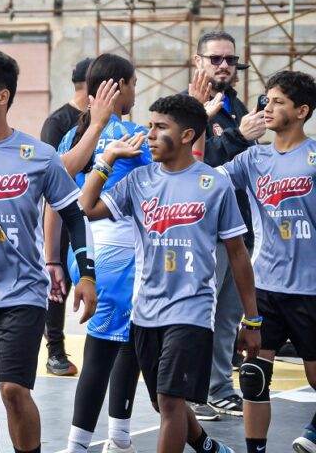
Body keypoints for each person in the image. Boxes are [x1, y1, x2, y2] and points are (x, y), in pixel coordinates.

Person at [78, 93, 261, 453]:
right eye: (150, 125)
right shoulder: (138, 180)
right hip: (145, 312)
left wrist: (252, 320)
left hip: (192, 311)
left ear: (187, 135)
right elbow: (87, 206)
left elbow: (238, 255)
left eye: (160, 127)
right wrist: (107, 158)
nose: (149, 134)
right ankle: (207, 446)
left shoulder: (214, 184)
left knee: (171, 401)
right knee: (162, 402)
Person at [0, 49, 98, 453]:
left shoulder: (38, 156)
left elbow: (74, 215)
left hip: (22, 294)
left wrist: (86, 274)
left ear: (3, 97)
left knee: (14, 390)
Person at [201, 70, 316, 453]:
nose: (268, 107)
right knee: (252, 377)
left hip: (310, 288)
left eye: (278, 101)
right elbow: (204, 181)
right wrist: (198, 123)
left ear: (301, 111)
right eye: (267, 99)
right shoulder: (253, 158)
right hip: (264, 286)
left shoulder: (314, 157)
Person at [54, 54, 150, 453]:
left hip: (84, 251)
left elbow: (57, 198)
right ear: (118, 87)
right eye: (133, 83)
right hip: (122, 253)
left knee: (116, 341)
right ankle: (81, 443)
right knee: (108, 349)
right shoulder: (133, 136)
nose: (135, 91)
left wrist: (53, 258)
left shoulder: (71, 137)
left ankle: (119, 437)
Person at [188, 30, 266, 420]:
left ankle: (218, 388)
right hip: (204, 230)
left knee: (229, 316)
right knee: (201, 313)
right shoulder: (188, 108)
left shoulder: (235, 106)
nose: (223, 65)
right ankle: (192, 392)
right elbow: (195, 165)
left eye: (230, 59)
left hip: (238, 227)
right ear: (198, 61)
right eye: (215, 59)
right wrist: (239, 136)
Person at [41, 57, 93, 377]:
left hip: (93, 212)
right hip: (62, 212)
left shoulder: (102, 119)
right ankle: (55, 350)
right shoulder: (58, 122)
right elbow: (51, 176)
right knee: (59, 283)